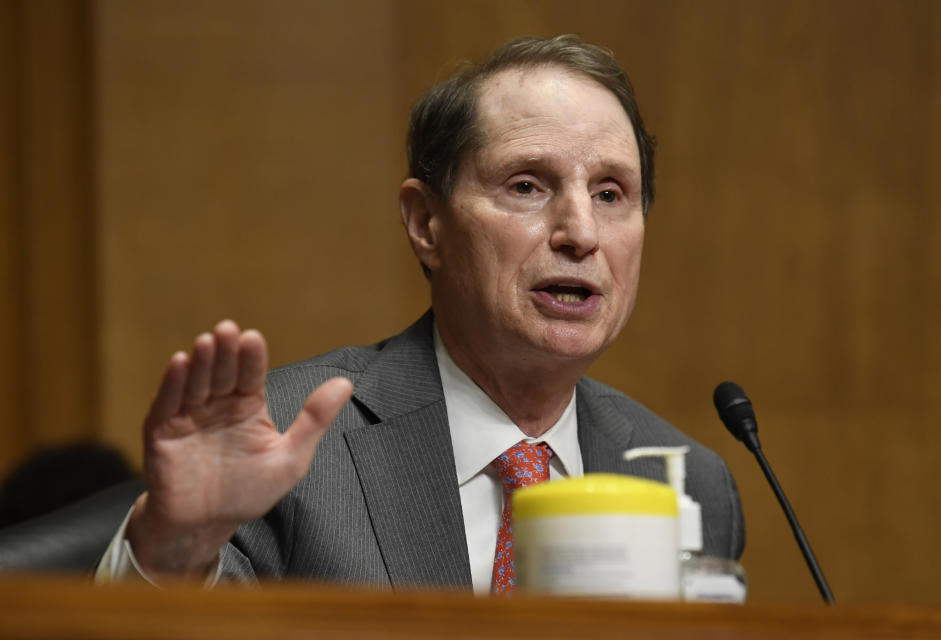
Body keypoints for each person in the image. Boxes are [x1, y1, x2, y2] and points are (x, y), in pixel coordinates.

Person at [97, 35, 744, 594]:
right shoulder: (285, 444)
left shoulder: (690, 482)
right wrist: (175, 548)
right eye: (527, 185)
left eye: (611, 194)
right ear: (425, 223)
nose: (580, 231)